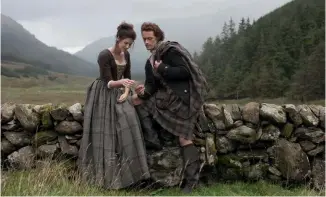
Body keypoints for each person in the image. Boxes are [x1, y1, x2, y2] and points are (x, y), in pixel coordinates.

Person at [132, 22, 209, 193]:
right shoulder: (149, 61)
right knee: (137, 101)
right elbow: (151, 87)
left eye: (149, 38)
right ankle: (153, 141)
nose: (146, 42)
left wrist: (163, 68)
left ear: (158, 37)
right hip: (166, 100)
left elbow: (185, 71)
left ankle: (191, 182)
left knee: (184, 139)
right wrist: (142, 91)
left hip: (185, 100)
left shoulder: (170, 51)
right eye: (144, 39)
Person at [78, 22, 150, 190]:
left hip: (119, 93)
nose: (127, 47)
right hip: (103, 94)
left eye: (130, 45)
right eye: (125, 43)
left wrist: (126, 92)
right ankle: (105, 178)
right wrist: (121, 83)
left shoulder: (127, 56)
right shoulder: (105, 55)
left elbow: (128, 76)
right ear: (118, 39)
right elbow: (108, 81)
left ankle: (132, 175)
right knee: (107, 134)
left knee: (129, 122)